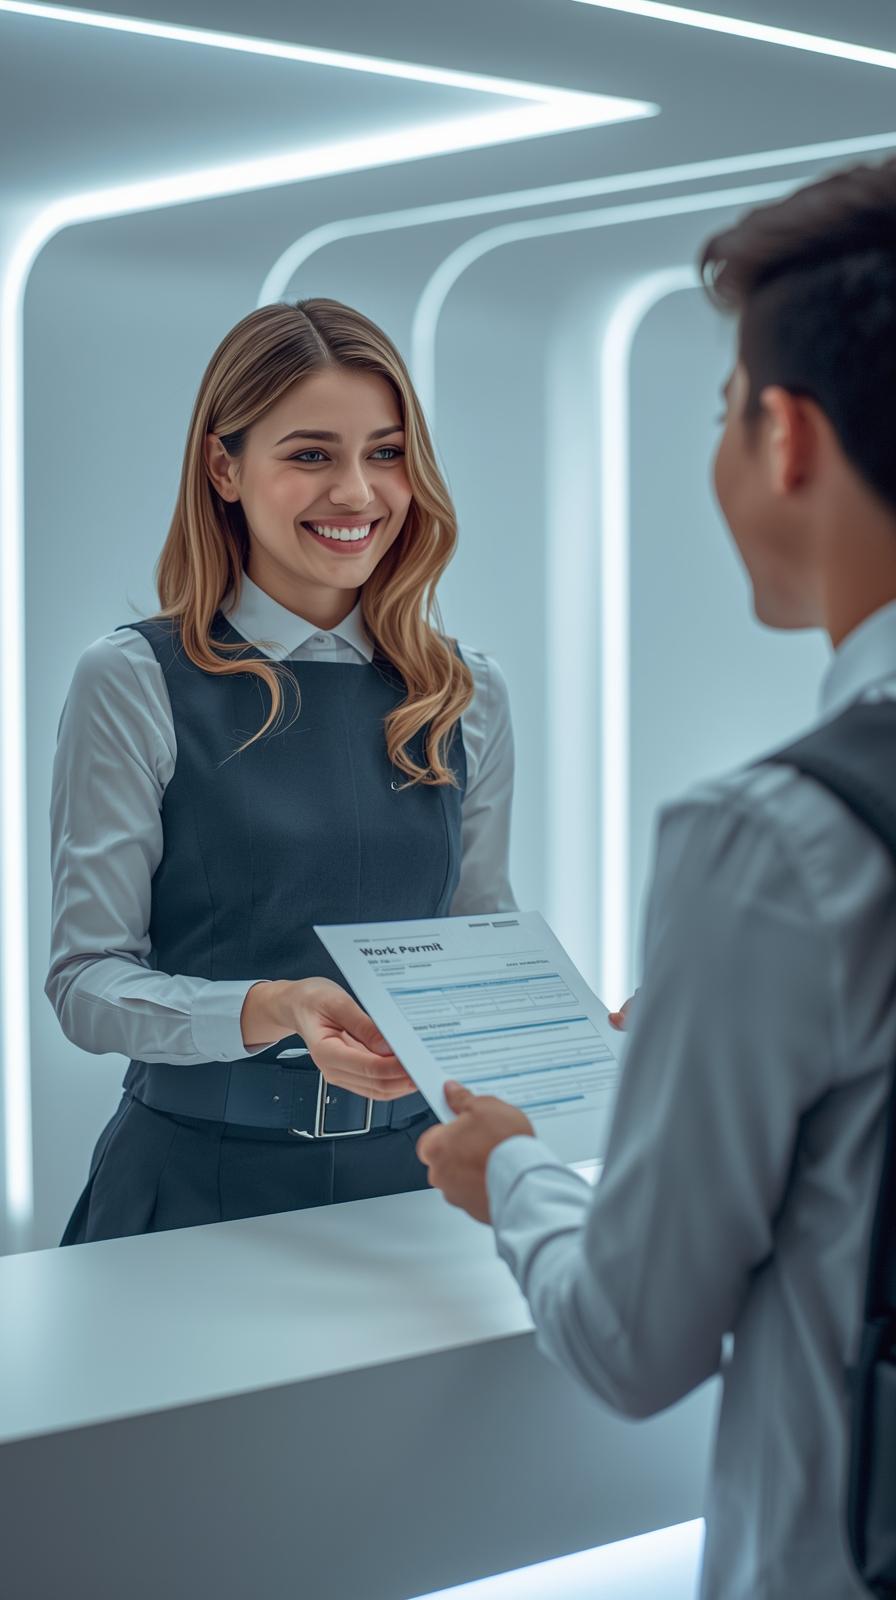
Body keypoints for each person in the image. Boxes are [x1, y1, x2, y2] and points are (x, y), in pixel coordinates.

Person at [418, 156, 896, 1599]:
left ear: (784, 435)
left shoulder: (775, 841)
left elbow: (637, 1342)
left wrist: (504, 1170)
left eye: (718, 415)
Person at [48, 297, 515, 1244]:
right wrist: (270, 1010)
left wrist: (596, 1036)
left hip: (417, 1194)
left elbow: (479, 955)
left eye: (386, 454)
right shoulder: (135, 679)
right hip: (196, 1188)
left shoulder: (465, 691)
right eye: (311, 455)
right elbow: (86, 982)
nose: (358, 493)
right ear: (225, 467)